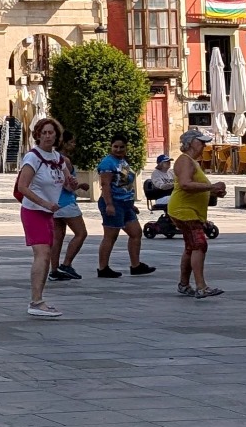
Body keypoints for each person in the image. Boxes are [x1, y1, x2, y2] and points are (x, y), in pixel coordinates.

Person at [15, 118, 70, 318]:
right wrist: (44, 203)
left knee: (46, 255)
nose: (47, 136)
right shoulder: (33, 157)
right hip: (33, 211)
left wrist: (74, 184)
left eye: (51, 132)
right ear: (37, 135)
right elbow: (22, 187)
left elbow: (67, 183)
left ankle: (38, 299)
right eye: (43, 133)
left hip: (48, 213)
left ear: (56, 135)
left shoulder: (58, 158)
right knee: (43, 254)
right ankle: (36, 301)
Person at [172, 128, 228, 299]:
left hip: (188, 211)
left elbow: (193, 186)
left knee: (191, 247)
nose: (204, 145)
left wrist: (213, 191)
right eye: (201, 142)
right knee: (199, 245)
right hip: (184, 211)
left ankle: (184, 284)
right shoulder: (185, 161)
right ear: (190, 143)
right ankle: (201, 287)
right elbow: (185, 184)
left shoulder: (191, 161)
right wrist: (211, 187)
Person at [94, 136, 155, 278]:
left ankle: (136, 265)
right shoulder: (107, 163)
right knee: (111, 236)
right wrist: (109, 204)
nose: (118, 149)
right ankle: (103, 268)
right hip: (114, 203)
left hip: (126, 204)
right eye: (115, 146)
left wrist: (131, 205)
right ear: (111, 147)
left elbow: (125, 184)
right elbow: (105, 185)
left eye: (121, 147)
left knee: (136, 233)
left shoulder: (123, 161)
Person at [49, 131, 91, 281]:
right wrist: (80, 185)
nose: (74, 145)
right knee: (81, 233)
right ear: (64, 143)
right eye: (72, 142)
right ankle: (66, 264)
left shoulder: (51, 158)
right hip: (66, 202)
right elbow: (66, 185)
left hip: (54, 202)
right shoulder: (64, 160)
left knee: (57, 237)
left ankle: (54, 270)